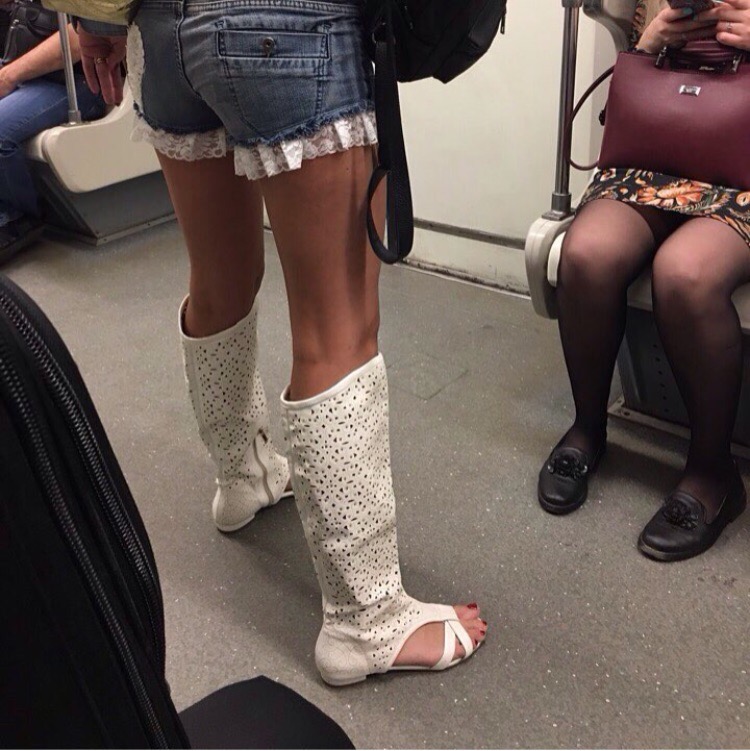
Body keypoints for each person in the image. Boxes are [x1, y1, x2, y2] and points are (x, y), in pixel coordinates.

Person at [73, 0, 488, 687]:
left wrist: (95, 24)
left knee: (219, 278)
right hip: (286, 25)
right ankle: (366, 621)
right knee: (337, 324)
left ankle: (242, 477)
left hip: (162, 31)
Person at [538, 0, 750, 562]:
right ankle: (588, 429)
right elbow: (626, 94)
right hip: (657, 150)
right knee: (586, 254)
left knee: (684, 273)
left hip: (745, 169)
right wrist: (650, 41)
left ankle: (713, 473)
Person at [0, 1, 104, 263]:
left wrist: (8, 76)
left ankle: (15, 218)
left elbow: (78, 38)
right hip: (28, 76)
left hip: (72, 82)